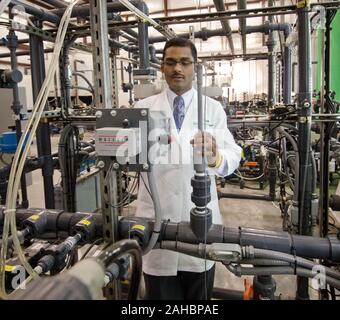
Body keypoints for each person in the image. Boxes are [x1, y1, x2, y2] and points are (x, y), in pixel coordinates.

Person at [135, 38, 241, 300]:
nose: (177, 69)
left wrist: (216, 156)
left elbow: (233, 155)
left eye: (185, 62)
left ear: (195, 67)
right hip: (155, 222)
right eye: (170, 62)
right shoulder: (142, 109)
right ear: (162, 67)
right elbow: (126, 159)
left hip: (200, 225)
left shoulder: (213, 109)